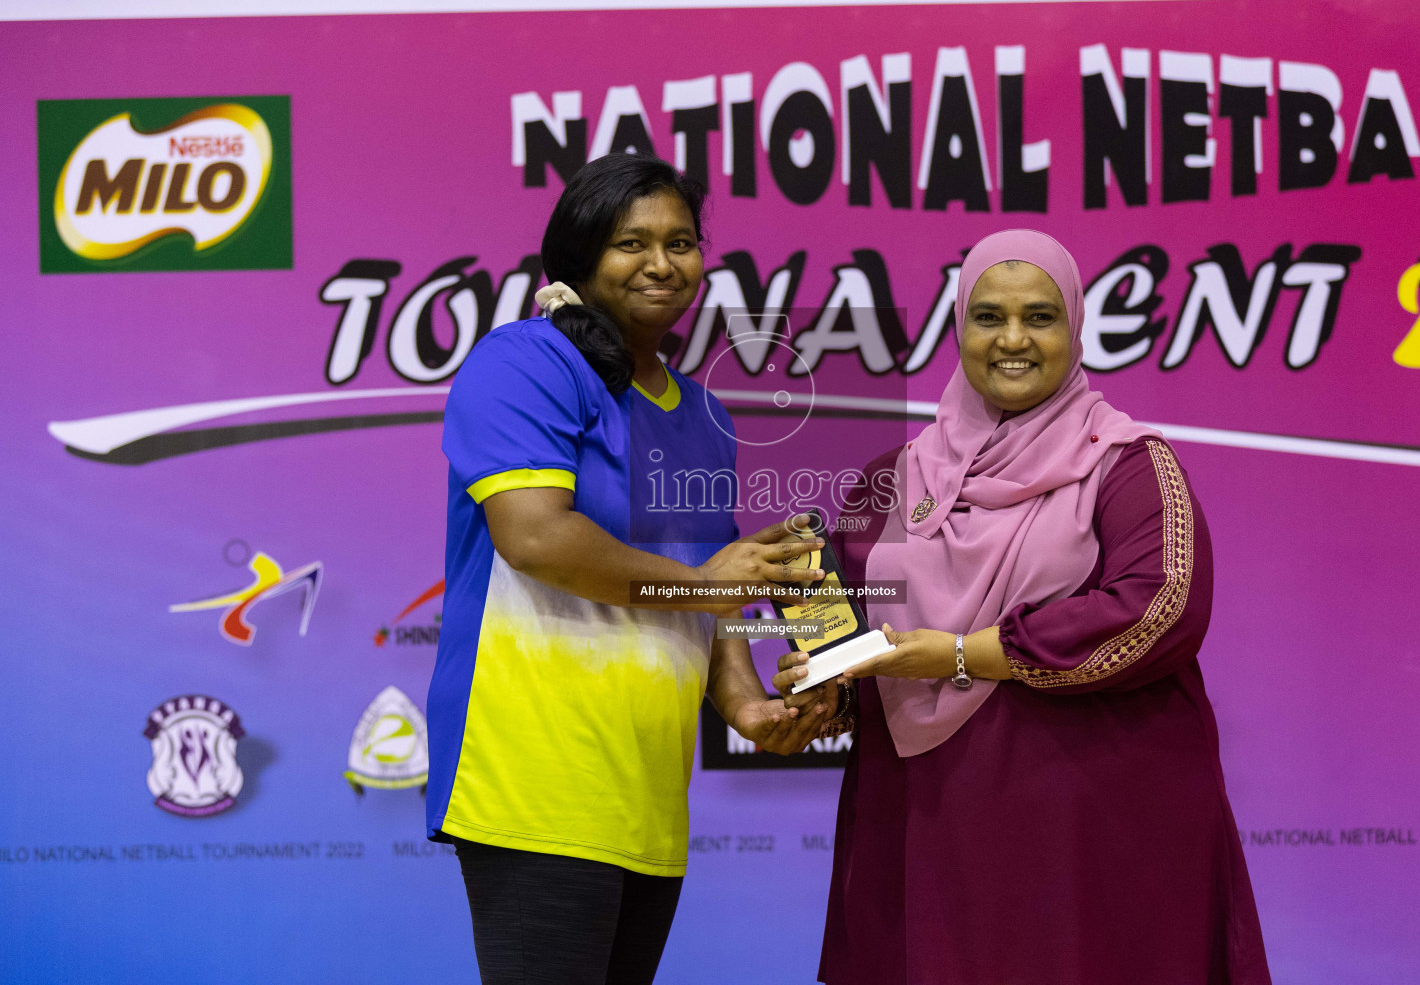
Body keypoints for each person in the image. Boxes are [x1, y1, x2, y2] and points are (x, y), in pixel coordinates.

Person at [777, 230, 1272, 985]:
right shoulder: (892, 477)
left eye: (1039, 317)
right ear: (959, 329)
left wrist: (963, 655)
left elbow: (1158, 608)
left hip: (1090, 826)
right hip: (924, 817)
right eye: (988, 317)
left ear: (1074, 329)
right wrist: (829, 679)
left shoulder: (1128, 463)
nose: (1013, 339)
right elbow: (864, 629)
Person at [428, 152, 831, 985]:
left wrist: (749, 704)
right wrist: (710, 584)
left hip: (647, 796)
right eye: (630, 242)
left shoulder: (708, 414)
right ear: (579, 257)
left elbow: (710, 593)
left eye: (680, 241)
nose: (660, 263)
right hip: (535, 781)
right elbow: (536, 539)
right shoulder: (526, 363)